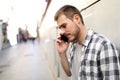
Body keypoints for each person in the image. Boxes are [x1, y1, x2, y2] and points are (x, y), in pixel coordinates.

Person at [54, 5, 120, 80]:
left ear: (77, 19)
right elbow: (69, 72)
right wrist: (62, 53)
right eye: (60, 28)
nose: (62, 32)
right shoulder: (74, 45)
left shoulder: (103, 46)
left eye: (64, 26)